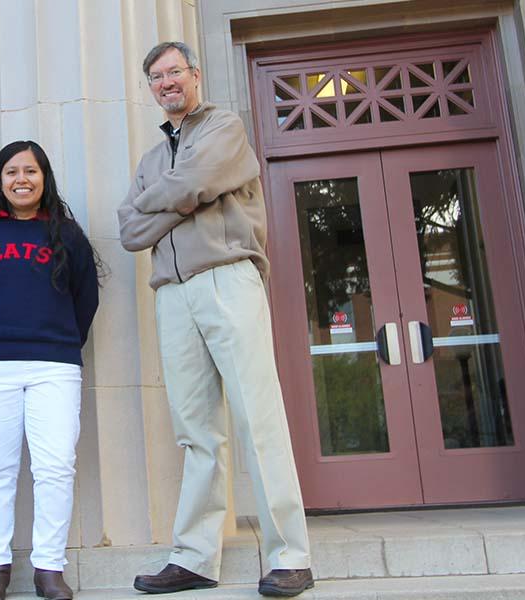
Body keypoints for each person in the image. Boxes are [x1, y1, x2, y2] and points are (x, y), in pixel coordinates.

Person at [117, 42, 314, 597]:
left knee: (258, 416)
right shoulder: (151, 159)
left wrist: (167, 200)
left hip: (228, 276)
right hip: (173, 294)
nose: (165, 82)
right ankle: (195, 558)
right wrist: (178, 198)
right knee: (195, 430)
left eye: (173, 71)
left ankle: (291, 554)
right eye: (154, 76)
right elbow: (131, 232)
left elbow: (191, 186)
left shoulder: (223, 127)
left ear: (194, 75)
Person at [0, 140, 100, 600]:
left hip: (54, 364)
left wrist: (60, 340)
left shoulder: (67, 234)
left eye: (30, 171)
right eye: (11, 172)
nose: (21, 180)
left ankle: (49, 568)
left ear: (44, 178)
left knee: (55, 467)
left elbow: (85, 298)